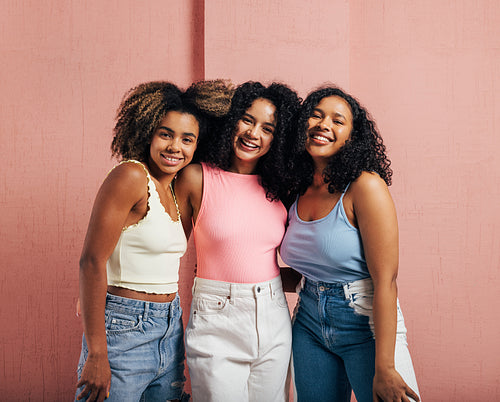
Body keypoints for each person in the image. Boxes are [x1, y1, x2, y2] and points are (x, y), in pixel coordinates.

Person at [280, 86, 421, 402]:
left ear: (351, 138)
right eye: (315, 115)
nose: (323, 124)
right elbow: (311, 271)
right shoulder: (297, 189)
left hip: (366, 323)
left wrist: (384, 367)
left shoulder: (365, 186)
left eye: (337, 120)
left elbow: (386, 281)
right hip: (309, 322)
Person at [75, 81, 207, 402]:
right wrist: (96, 353)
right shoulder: (131, 176)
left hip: (170, 326)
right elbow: (91, 261)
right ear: (147, 131)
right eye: (165, 134)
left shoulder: (176, 192)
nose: (175, 146)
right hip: (123, 327)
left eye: (187, 139)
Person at [174, 81, 300, 402]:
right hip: (217, 319)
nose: (253, 133)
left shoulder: (280, 188)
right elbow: (167, 248)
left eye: (267, 128)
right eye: (247, 119)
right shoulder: (196, 178)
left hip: (273, 316)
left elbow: (270, 261)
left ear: (278, 139)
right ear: (231, 121)